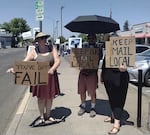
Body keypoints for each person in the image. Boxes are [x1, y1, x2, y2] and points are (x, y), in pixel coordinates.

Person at [7, 32, 61, 125]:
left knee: (49, 98)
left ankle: (48, 115)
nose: (43, 40)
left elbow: (57, 60)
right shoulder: (34, 52)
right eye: (41, 38)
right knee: (41, 99)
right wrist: (14, 69)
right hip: (39, 78)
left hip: (51, 76)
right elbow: (24, 63)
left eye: (44, 38)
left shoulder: (52, 48)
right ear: (37, 41)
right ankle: (42, 117)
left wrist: (52, 69)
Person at [100, 56, 129, 134]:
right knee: (111, 98)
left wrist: (125, 67)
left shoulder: (123, 49)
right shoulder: (109, 47)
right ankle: (113, 116)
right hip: (108, 77)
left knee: (119, 100)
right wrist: (102, 75)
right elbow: (105, 61)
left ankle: (117, 124)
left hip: (120, 78)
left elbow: (129, 60)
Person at [77, 33, 103, 117]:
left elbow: (99, 58)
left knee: (92, 91)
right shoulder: (84, 47)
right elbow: (79, 58)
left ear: (95, 39)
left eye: (92, 38)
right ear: (87, 39)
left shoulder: (98, 48)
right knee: (82, 91)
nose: (91, 40)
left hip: (92, 73)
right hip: (83, 72)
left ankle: (93, 108)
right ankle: (83, 106)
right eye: (89, 38)